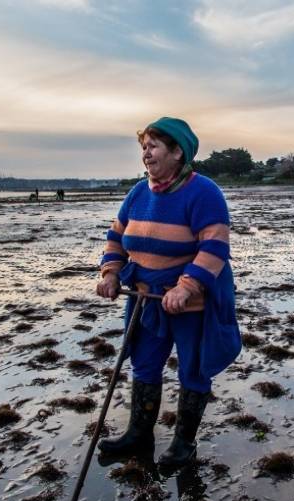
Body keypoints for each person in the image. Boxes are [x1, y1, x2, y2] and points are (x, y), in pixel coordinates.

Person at [95, 117, 241, 469]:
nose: (146, 153)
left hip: (191, 302)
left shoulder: (204, 192)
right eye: (143, 146)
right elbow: (117, 237)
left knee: (192, 369)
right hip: (147, 299)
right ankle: (138, 435)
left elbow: (214, 248)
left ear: (178, 152)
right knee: (144, 364)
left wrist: (187, 286)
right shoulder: (138, 192)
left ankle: (183, 445)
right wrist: (111, 272)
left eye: (153, 146)